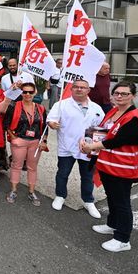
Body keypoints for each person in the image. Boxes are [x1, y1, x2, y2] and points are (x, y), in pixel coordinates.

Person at [81, 81, 138, 253]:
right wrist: (88, 139)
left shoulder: (134, 118)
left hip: (122, 167)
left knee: (122, 202)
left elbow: (118, 141)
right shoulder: (114, 111)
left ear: (133, 96)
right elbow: (103, 132)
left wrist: (93, 146)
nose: (120, 96)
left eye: (125, 94)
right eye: (117, 93)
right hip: (108, 165)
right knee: (112, 197)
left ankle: (123, 238)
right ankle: (112, 224)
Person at [46, 79, 104, 218]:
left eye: (83, 87)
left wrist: (95, 146)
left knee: (87, 176)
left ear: (88, 90)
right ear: (71, 89)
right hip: (67, 146)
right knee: (63, 173)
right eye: (76, 87)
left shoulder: (96, 108)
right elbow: (51, 119)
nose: (79, 89)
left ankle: (88, 201)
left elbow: (102, 127)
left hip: (88, 148)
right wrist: (52, 124)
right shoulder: (61, 105)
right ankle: (60, 195)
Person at [2, 82, 48, 206]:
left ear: (34, 93)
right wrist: (13, 138)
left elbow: (45, 127)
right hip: (20, 140)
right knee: (16, 165)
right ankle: (13, 190)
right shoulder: (14, 105)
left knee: (32, 167)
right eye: (25, 92)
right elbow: (5, 123)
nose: (27, 94)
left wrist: (44, 141)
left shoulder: (41, 108)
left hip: (35, 142)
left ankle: (31, 192)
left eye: (30, 92)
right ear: (21, 93)